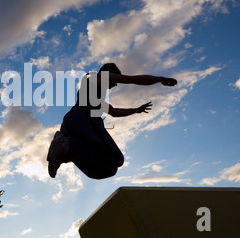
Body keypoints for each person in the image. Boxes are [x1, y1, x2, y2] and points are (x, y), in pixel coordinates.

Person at [47, 63, 177, 179]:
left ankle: (65, 151)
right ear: (109, 74)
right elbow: (133, 79)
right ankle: (65, 145)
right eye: (114, 80)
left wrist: (136, 110)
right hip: (82, 118)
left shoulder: (94, 97)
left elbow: (114, 112)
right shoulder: (96, 79)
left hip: (73, 123)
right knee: (116, 157)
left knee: (107, 169)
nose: (115, 85)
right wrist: (160, 79)